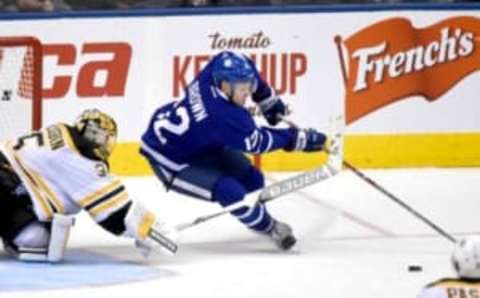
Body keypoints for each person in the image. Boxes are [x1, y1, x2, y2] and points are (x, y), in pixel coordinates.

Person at [140, 51, 328, 251]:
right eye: (242, 89)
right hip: (171, 159)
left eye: (249, 87)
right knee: (231, 192)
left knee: (253, 180)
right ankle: (270, 227)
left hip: (198, 141)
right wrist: (298, 139)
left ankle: (254, 216)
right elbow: (259, 143)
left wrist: (266, 98)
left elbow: (242, 61)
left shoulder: (214, 71)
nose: (247, 93)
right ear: (225, 86)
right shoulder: (223, 115)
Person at [0, 109, 177, 262]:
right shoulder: (80, 161)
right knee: (36, 239)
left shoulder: (59, 130)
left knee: (35, 239)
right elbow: (118, 215)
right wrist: (153, 233)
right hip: (5, 183)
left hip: (10, 182)